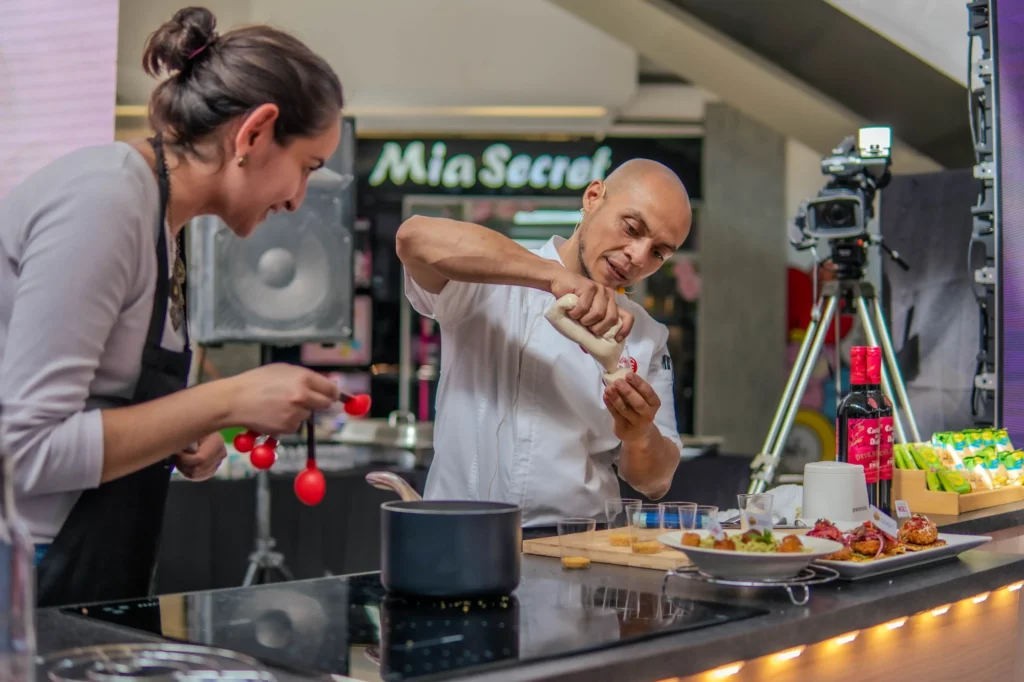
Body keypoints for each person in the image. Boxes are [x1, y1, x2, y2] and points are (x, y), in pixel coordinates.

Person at [0, 6, 345, 607]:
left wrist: (183, 427)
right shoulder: (105, 200)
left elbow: (97, 406)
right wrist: (225, 399)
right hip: (28, 573)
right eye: (306, 168)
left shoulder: (162, 217)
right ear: (255, 132)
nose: (297, 202)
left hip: (86, 567)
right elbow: (24, 451)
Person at [396, 159, 692, 534]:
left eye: (659, 253)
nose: (638, 256)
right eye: (631, 228)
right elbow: (412, 237)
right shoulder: (491, 276)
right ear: (593, 196)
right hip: (460, 531)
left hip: (579, 544)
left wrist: (639, 434)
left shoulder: (646, 335)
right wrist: (555, 278)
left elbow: (655, 481)